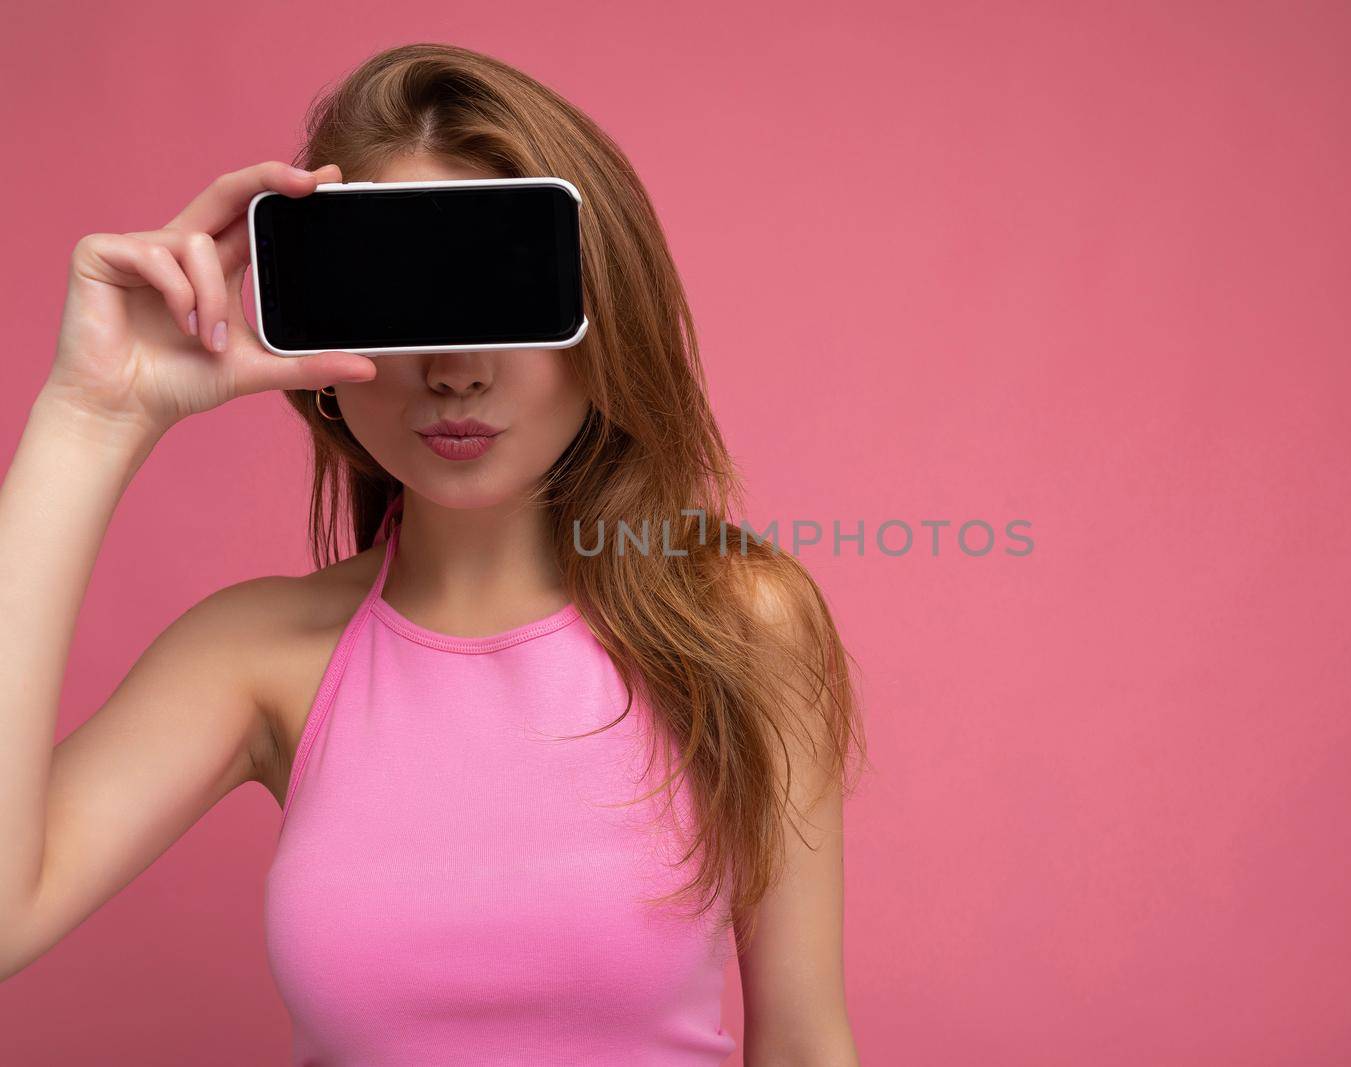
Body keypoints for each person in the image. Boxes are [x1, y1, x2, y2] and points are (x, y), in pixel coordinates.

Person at [0, 42, 866, 1065]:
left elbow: (805, 1040)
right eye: (405, 299)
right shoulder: (254, 654)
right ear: (320, 328)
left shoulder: (742, 621)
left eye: (500, 292)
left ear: (605, 312)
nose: (455, 370)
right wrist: (89, 416)